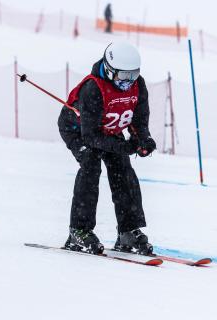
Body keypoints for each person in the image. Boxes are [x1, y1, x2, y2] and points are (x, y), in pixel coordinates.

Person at [58, 42, 156, 255]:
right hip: (80, 131)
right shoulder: (93, 88)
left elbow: (138, 120)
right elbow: (91, 136)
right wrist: (124, 146)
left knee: (123, 171)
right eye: (123, 76)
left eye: (133, 75)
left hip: (109, 130)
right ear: (110, 70)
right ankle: (79, 230)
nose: (128, 82)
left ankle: (128, 231)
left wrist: (143, 140)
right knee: (90, 165)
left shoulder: (138, 85)